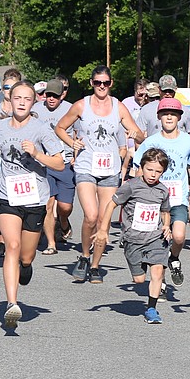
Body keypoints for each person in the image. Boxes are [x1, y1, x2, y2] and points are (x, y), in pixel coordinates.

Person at [55, 65, 144, 284]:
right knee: (91, 216)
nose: (101, 87)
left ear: (111, 84)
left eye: (105, 83)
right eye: (97, 83)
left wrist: (136, 134)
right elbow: (59, 127)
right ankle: (84, 256)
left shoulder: (119, 107)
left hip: (110, 170)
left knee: (104, 221)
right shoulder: (81, 105)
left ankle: (95, 265)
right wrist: (70, 142)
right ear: (92, 84)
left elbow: (141, 136)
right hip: (86, 166)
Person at [0, 82, 66, 328]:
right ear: (9, 100)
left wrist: (37, 154)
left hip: (34, 198)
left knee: (26, 254)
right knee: (11, 244)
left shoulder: (41, 129)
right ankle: (12, 304)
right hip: (7, 195)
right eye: (17, 97)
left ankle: (26, 264)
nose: (21, 102)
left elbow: (60, 164)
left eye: (27, 99)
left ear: (34, 102)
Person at [95, 148, 173, 323]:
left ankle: (152, 309)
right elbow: (111, 205)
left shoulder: (163, 190)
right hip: (133, 239)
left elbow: (165, 211)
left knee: (157, 272)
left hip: (156, 238)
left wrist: (166, 225)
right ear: (142, 167)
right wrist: (103, 230)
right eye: (149, 170)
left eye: (158, 172)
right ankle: (143, 264)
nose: (153, 175)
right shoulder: (130, 186)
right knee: (139, 280)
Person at [133, 97, 190, 286]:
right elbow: (139, 168)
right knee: (159, 241)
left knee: (178, 236)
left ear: (179, 118)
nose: (169, 118)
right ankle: (159, 284)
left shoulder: (189, 141)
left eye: (173, 114)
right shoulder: (150, 142)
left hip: (178, 198)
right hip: (154, 198)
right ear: (159, 117)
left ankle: (174, 257)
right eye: (165, 114)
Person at [33, 79, 75, 253]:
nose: (50, 99)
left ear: (62, 95)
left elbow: (81, 134)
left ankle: (63, 223)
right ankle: (51, 243)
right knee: (48, 205)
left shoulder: (71, 109)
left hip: (65, 163)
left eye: (55, 96)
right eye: (47, 95)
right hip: (44, 164)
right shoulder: (35, 110)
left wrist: (76, 155)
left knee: (65, 207)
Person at [135, 75, 190, 140]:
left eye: (170, 91)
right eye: (164, 90)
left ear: (175, 90)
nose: (167, 93)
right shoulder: (146, 109)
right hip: (154, 148)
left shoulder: (185, 110)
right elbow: (139, 133)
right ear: (159, 90)